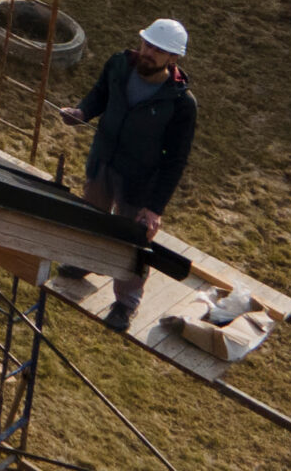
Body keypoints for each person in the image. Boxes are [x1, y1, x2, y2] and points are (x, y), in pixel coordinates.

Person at [58, 17, 198, 330]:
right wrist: (82, 112)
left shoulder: (181, 103)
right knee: (91, 219)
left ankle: (125, 304)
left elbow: (176, 160)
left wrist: (155, 208)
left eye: (158, 50)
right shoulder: (119, 65)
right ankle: (85, 262)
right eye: (147, 44)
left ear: (173, 58)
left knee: (133, 242)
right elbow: (100, 94)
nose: (148, 52)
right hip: (103, 164)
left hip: (140, 183)